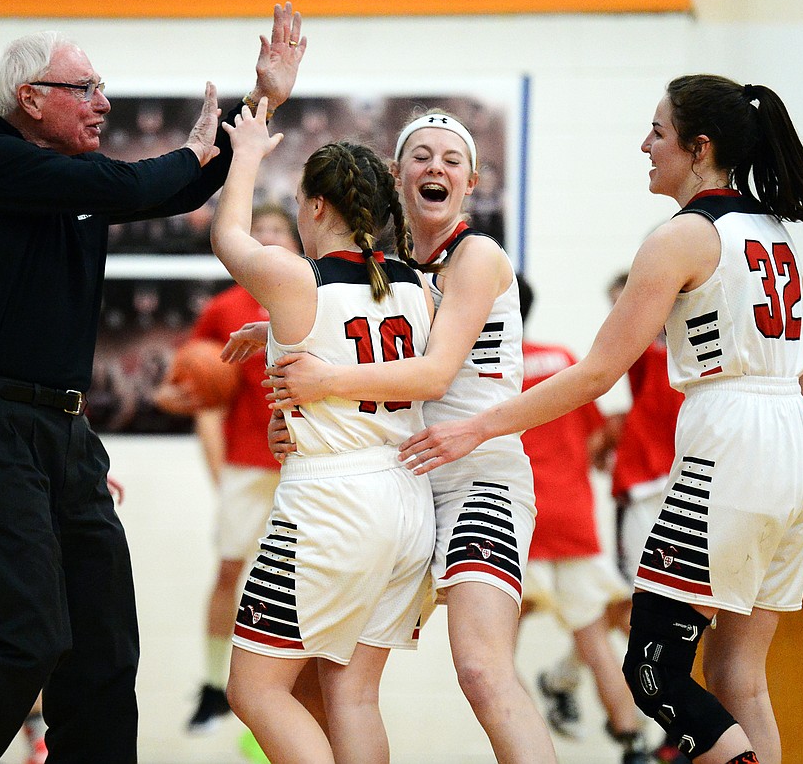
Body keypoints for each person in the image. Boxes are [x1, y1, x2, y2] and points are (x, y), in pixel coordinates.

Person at [399, 74, 803, 764]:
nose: (645, 145)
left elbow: (597, 372)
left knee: (652, 671)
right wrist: (784, 462)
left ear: (698, 147)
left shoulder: (681, 235)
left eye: (658, 131)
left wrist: (480, 425)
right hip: (798, 448)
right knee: (742, 677)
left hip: (732, 442)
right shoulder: (775, 231)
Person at [0, 7, 306, 764]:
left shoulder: (69, 181)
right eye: (86, 89)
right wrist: (188, 148)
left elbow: (175, 189)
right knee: (27, 640)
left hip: (65, 432)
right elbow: (140, 179)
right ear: (30, 98)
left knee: (106, 648)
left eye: (103, 88)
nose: (104, 103)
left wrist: (262, 100)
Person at [262, 110, 557, 763]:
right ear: (396, 175)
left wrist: (323, 379)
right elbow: (339, 337)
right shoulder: (390, 272)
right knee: (327, 677)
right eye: (421, 156)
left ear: (472, 180)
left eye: (451, 159)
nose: (436, 168)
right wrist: (278, 353)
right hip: (407, 483)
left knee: (482, 668)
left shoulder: (477, 255)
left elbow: (433, 372)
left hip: (481, 474)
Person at [214, 102, 435, 764]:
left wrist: (247, 150)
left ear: (313, 208)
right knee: (353, 696)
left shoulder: (297, 277)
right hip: (405, 500)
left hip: (331, 507)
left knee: (254, 689)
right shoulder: (422, 288)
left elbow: (229, 238)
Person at [155, 204, 303, 736]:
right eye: (255, 232)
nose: (264, 240)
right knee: (227, 572)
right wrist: (218, 471)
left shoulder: (312, 296)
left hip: (309, 464)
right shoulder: (222, 309)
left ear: (294, 241)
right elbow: (200, 397)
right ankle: (215, 686)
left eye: (274, 232)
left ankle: (290, 689)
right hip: (245, 461)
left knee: (302, 581)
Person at [513, 275, 651, 764]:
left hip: (513, 517)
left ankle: (525, 751)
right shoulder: (563, 359)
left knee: (493, 655)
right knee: (592, 637)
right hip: (571, 514)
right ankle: (632, 740)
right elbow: (595, 438)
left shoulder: (483, 368)